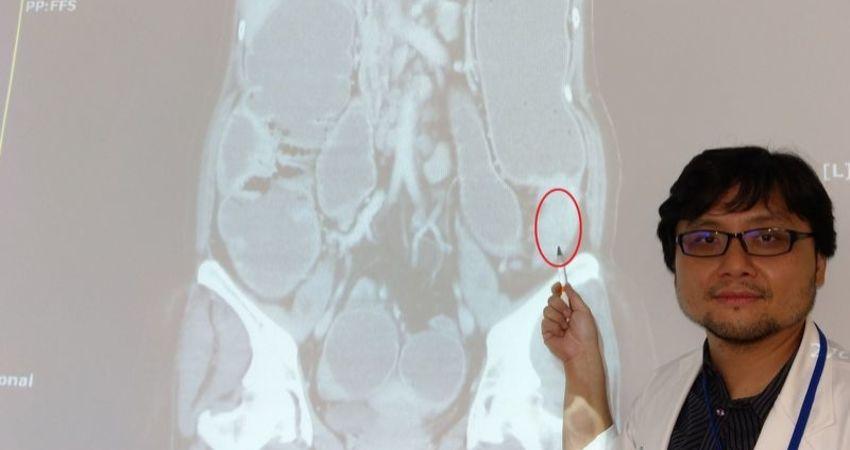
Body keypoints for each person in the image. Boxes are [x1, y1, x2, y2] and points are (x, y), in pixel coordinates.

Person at [542, 146, 850, 449]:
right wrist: (581, 363)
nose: (735, 265)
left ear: (819, 263)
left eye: (767, 237)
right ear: (675, 264)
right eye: (706, 239)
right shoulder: (660, 398)